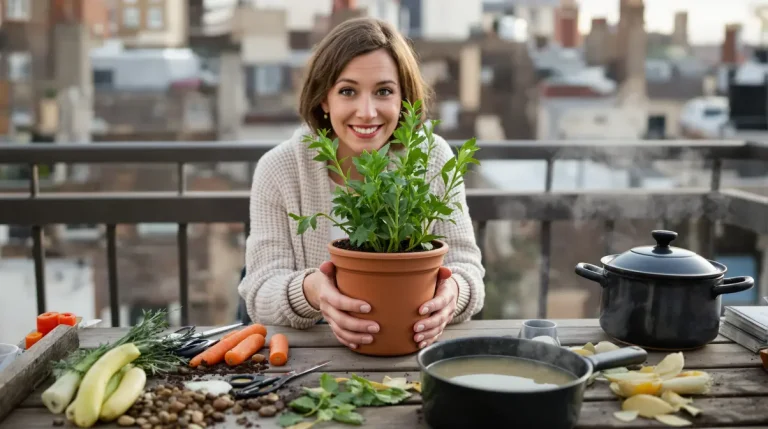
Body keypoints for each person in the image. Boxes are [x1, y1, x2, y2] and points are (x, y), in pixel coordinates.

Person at [238, 17, 485, 351]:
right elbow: (259, 292)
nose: (366, 112)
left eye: (383, 91)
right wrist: (313, 291)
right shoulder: (280, 168)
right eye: (347, 91)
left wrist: (453, 294)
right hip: (311, 357)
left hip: (410, 352)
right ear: (324, 100)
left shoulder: (431, 157)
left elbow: (468, 269)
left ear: (404, 100)